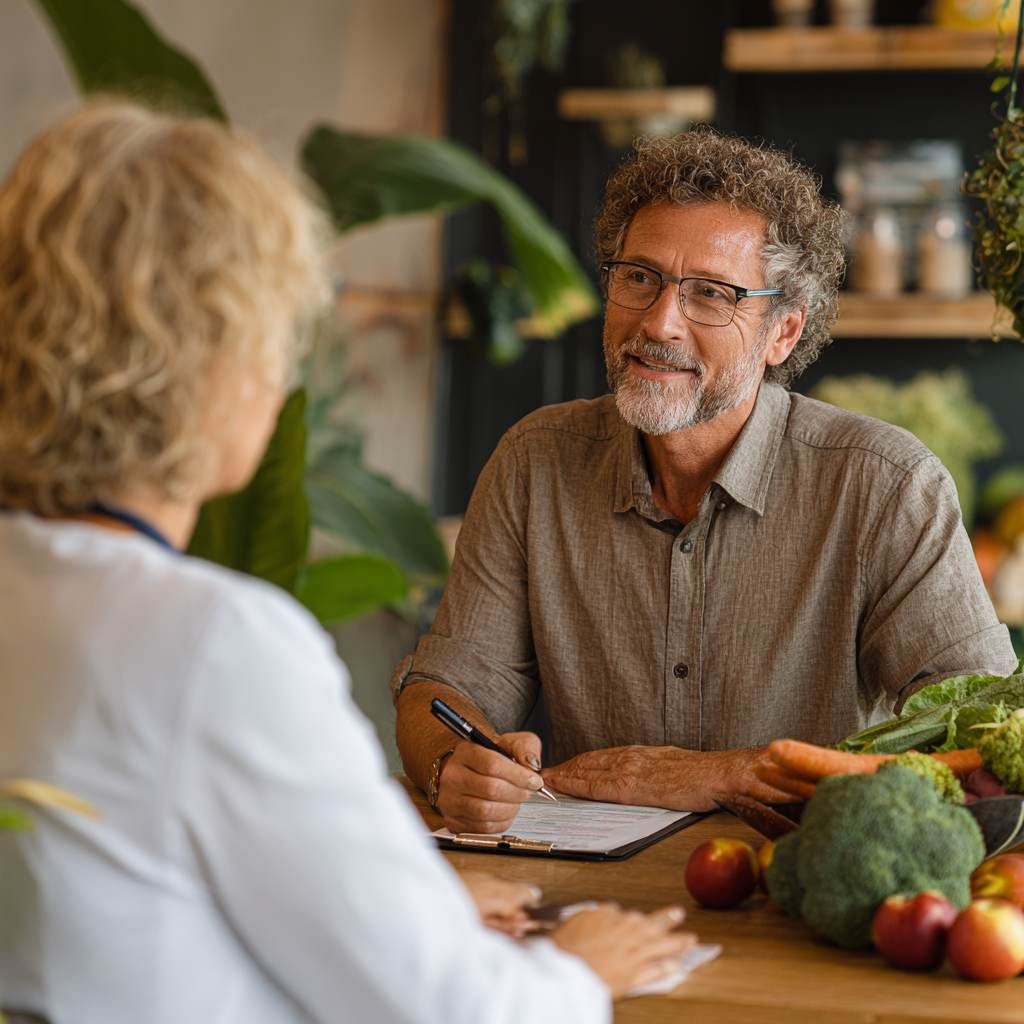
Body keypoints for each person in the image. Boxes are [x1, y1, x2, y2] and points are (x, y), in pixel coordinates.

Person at [0, 103, 695, 1024]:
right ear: (212, 360)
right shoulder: (213, 644)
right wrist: (579, 969)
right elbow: (453, 1011)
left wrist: (424, 907)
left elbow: (140, 885)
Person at [394, 130, 1017, 836]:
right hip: (583, 901)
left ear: (782, 332)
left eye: (712, 295)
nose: (660, 322)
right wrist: (455, 763)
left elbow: (987, 740)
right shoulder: (533, 462)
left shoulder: (889, 487)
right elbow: (441, 690)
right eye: (639, 277)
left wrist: (730, 773)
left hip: (795, 895)